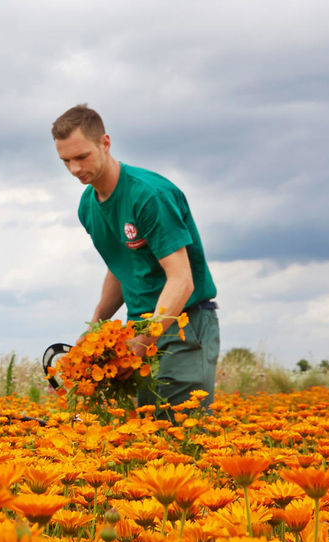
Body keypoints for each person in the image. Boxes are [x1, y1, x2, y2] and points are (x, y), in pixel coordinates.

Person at [52, 104, 219, 412]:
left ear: (105, 143)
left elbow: (181, 280)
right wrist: (94, 331)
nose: (75, 169)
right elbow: (121, 267)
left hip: (183, 321)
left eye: (82, 157)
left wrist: (143, 343)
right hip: (140, 327)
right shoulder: (88, 206)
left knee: (177, 428)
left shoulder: (148, 195)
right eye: (66, 161)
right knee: (146, 432)